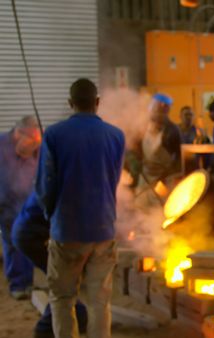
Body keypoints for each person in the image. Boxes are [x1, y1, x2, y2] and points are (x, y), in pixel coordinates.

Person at [35, 78, 125, 338]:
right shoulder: (116, 135)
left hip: (67, 230)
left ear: (70, 103)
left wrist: (49, 216)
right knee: (99, 301)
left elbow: (45, 185)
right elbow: (114, 179)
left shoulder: (53, 135)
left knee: (63, 299)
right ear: (97, 103)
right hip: (104, 229)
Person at [11, 192, 88, 338]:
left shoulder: (55, 180)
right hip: (31, 236)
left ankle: (78, 315)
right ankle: (46, 327)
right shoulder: (62, 187)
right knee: (62, 280)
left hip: (26, 232)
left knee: (62, 279)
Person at [0, 116, 41, 300]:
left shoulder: (37, 148)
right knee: (12, 241)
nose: (34, 149)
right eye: (30, 143)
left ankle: (27, 282)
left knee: (26, 238)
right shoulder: (1, 146)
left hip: (26, 201)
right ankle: (18, 284)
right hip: (5, 202)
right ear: (18, 135)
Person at [127, 93, 181, 198]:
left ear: (166, 112)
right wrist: (133, 160)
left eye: (161, 112)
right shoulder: (143, 127)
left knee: (162, 207)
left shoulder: (173, 130)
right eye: (154, 111)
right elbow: (132, 148)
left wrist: (169, 174)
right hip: (145, 175)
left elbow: (179, 158)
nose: (156, 116)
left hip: (164, 179)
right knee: (142, 205)